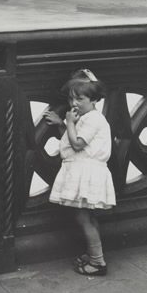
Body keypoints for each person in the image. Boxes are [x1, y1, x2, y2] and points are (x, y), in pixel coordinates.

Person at [43, 69, 115, 276]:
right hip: (83, 170)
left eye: (79, 99)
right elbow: (71, 139)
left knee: (84, 218)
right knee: (88, 217)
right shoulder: (87, 117)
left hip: (87, 172)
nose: (74, 103)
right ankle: (94, 254)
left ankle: (98, 262)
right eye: (70, 98)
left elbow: (76, 144)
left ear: (93, 100)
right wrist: (63, 124)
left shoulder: (93, 119)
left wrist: (69, 122)